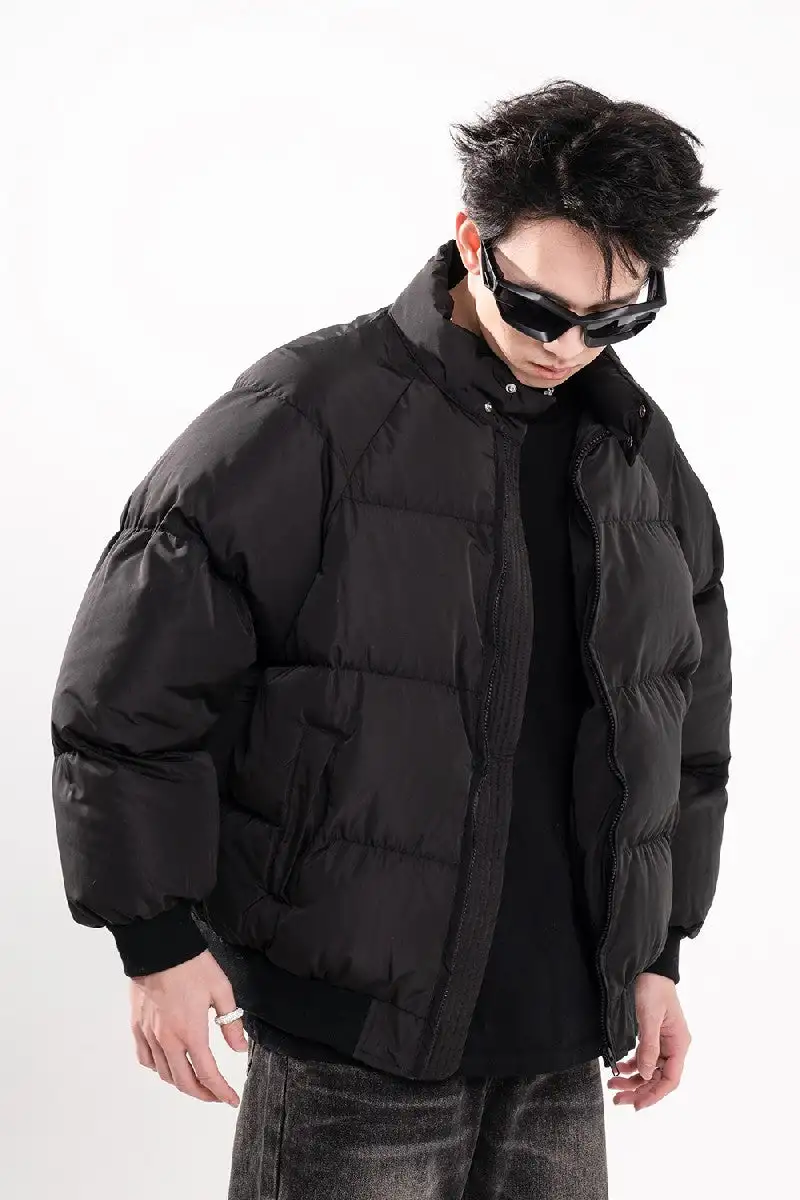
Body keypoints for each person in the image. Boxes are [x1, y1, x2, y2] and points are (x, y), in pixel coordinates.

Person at [50, 79, 732, 1198]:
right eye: (539, 309)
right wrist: (154, 940)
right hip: (353, 1042)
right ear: (470, 242)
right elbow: (129, 689)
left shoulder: (635, 456)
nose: (569, 347)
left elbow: (681, 724)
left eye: (613, 321)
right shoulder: (312, 413)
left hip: (562, 1042)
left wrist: (655, 955)